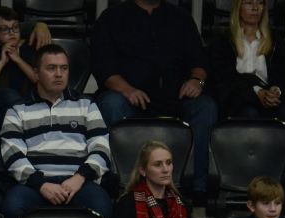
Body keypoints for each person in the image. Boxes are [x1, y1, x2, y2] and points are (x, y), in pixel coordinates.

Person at [91, 0, 217, 195]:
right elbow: (102, 67)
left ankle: (197, 190)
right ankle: (120, 185)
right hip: (129, 99)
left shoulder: (181, 17)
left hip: (176, 98)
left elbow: (199, 60)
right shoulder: (111, 17)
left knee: (205, 106)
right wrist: (127, 90)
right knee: (110, 103)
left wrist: (196, 81)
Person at [0, 43, 113, 218]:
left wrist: (79, 178)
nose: (59, 74)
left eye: (64, 68)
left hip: (78, 181)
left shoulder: (86, 105)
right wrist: (41, 185)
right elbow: (12, 155)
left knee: (104, 210)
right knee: (12, 209)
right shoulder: (17, 110)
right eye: (51, 68)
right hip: (35, 183)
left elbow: (101, 149)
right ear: (36, 73)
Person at [208, 0, 285, 121]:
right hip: (237, 100)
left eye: (260, 3)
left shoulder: (275, 40)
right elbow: (225, 80)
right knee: (249, 113)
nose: (255, 8)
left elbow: (282, 74)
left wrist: (275, 90)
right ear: (238, 7)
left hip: (269, 100)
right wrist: (257, 92)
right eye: (249, 3)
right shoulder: (223, 41)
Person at [0, 6, 38, 98]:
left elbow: (41, 82)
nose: (12, 32)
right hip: (4, 103)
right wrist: (1, 63)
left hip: (30, 102)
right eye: (4, 29)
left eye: (15, 27)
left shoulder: (30, 48)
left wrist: (18, 60)